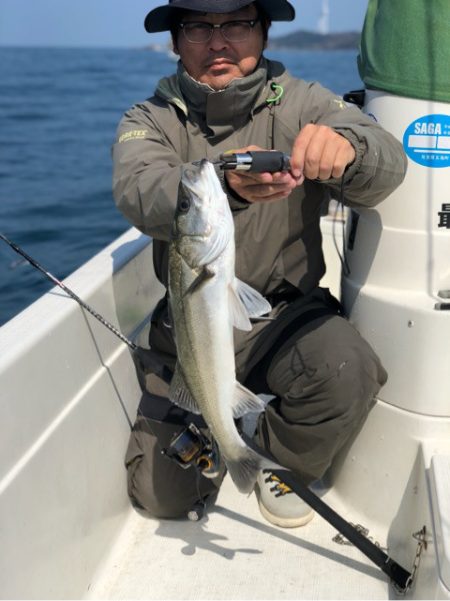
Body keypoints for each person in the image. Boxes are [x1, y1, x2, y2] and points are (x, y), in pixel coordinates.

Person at [112, 0, 407, 528]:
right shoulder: (148, 118)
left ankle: (272, 455)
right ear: (176, 41)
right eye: (198, 26)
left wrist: (351, 148)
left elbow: (387, 161)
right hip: (191, 321)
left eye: (238, 24)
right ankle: (211, 418)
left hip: (285, 314)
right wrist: (224, 185)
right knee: (162, 498)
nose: (218, 41)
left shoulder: (307, 102)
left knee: (348, 370)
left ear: (264, 33)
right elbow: (137, 190)